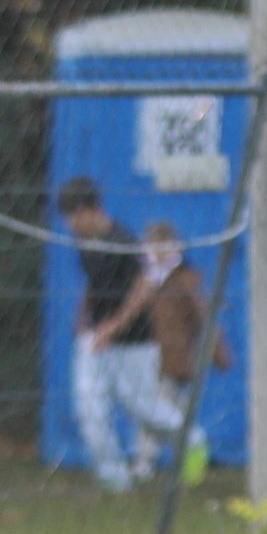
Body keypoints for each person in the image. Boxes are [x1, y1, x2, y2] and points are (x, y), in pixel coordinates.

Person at [58, 178, 155, 491]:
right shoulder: (83, 243)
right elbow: (94, 283)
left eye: (73, 216)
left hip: (133, 341)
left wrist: (115, 326)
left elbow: (144, 289)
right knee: (88, 405)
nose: (70, 225)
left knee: (144, 408)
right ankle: (114, 478)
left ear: (91, 210)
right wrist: (83, 317)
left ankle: (190, 436)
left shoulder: (122, 240)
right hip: (96, 339)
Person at [143, 231, 235, 489]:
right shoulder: (148, 279)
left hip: (176, 359)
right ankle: (151, 463)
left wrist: (219, 353)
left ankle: (180, 457)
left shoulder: (184, 280)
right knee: (157, 412)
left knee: (162, 413)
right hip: (151, 358)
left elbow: (204, 316)